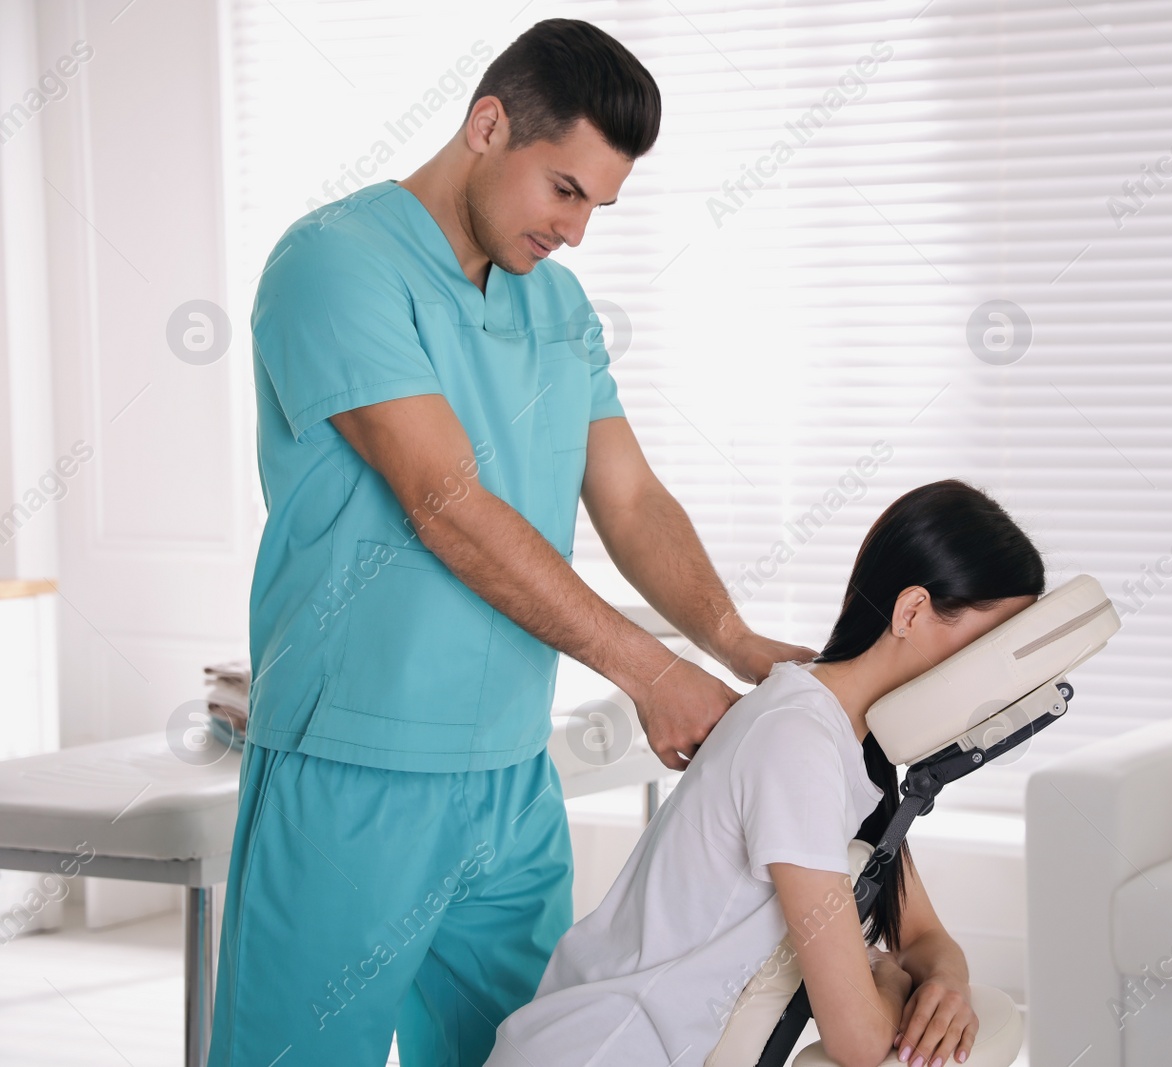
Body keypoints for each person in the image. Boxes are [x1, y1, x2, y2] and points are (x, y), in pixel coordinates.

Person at [209, 19, 813, 1066]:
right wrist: (647, 669)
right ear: (487, 125)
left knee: (535, 1054)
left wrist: (732, 638)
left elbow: (628, 498)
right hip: (355, 766)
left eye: (598, 206)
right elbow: (446, 501)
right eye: (563, 190)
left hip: (507, 777)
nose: (575, 231)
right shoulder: (336, 265)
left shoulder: (557, 305)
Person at [487, 479, 1046, 1067]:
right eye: (990, 646)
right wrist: (892, 979)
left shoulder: (855, 747)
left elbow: (925, 937)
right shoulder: (798, 740)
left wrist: (945, 987)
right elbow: (859, 1040)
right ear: (911, 611)